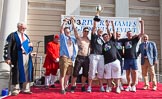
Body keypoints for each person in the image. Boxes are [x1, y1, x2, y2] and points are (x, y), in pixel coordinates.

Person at [3, 22, 33, 96]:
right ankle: (15, 89)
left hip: (26, 56)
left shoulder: (26, 36)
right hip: (17, 57)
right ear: (18, 27)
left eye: (25, 28)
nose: (24, 29)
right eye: (23, 28)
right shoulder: (13, 35)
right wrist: (7, 57)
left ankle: (26, 88)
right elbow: (7, 46)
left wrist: (30, 47)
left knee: (26, 72)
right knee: (16, 72)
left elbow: (28, 47)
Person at [121, 20, 144, 92]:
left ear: (132, 34)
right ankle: (128, 85)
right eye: (128, 34)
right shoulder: (124, 40)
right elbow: (116, 40)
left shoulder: (135, 40)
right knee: (127, 73)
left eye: (130, 34)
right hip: (126, 59)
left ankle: (134, 85)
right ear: (126, 35)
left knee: (134, 72)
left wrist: (142, 24)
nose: (129, 35)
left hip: (133, 58)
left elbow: (142, 33)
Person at [70, 17, 90, 93]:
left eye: (87, 31)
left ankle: (83, 86)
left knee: (85, 73)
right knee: (75, 73)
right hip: (79, 57)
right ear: (83, 31)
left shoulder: (89, 40)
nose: (86, 32)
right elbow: (75, 31)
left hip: (86, 58)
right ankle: (73, 86)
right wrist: (73, 22)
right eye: (85, 31)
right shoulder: (79, 38)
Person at [102, 21, 121, 93]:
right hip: (107, 63)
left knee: (117, 76)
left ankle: (118, 87)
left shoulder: (112, 41)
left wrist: (109, 26)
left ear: (108, 37)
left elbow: (113, 31)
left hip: (115, 61)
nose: (106, 37)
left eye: (106, 36)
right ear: (103, 38)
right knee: (108, 76)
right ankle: (109, 87)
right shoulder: (103, 45)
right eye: (104, 37)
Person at [59, 18, 77, 94]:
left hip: (70, 59)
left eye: (69, 32)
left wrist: (73, 22)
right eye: (66, 32)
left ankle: (65, 86)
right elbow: (61, 30)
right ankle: (62, 88)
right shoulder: (63, 38)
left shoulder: (72, 38)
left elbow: (76, 32)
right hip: (64, 57)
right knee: (63, 73)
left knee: (68, 74)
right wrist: (65, 22)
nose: (68, 33)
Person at [87, 19, 105, 92]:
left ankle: (101, 86)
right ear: (97, 32)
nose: (100, 32)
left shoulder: (103, 40)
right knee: (92, 71)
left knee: (101, 71)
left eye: (101, 31)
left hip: (101, 56)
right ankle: (89, 87)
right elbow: (94, 28)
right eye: (99, 31)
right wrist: (95, 21)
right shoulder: (94, 36)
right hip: (94, 55)